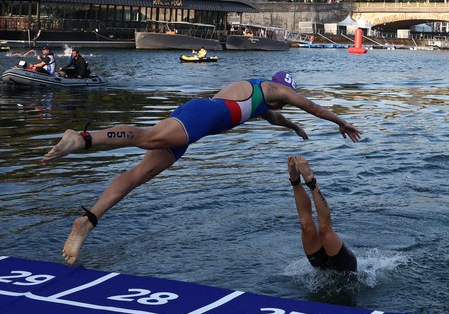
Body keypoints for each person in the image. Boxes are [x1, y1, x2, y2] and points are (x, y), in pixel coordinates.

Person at [44, 71, 362, 265]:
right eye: (286, 98)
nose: (284, 103)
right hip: (202, 116)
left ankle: (87, 220)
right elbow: (312, 106)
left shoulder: (264, 103)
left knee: (139, 174)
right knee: (147, 138)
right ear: (282, 89)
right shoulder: (274, 89)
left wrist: (293, 128)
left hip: (197, 118)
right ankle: (82, 139)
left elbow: (276, 116)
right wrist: (342, 122)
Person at [287, 155, 357, 273]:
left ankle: (311, 181)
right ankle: (295, 180)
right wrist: (295, 181)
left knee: (324, 229)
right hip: (322, 269)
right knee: (305, 226)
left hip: (345, 269)